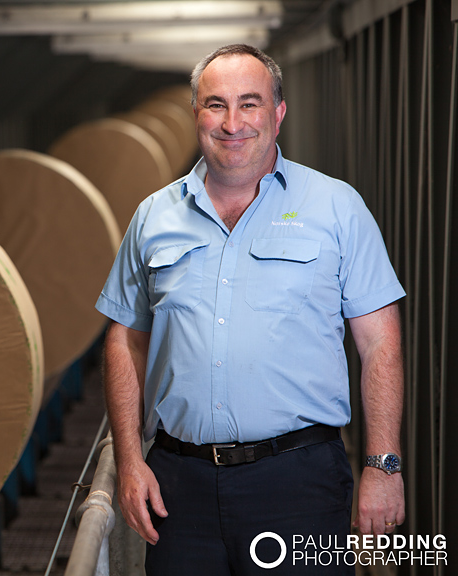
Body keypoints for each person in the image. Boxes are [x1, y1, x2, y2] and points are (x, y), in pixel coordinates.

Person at [96, 44, 405, 575]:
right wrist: (129, 460)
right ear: (196, 113)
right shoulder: (153, 216)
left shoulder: (336, 207)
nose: (232, 123)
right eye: (215, 104)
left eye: (249, 104)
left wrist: (382, 466)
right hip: (179, 485)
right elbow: (126, 338)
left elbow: (380, 344)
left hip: (299, 483)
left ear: (278, 113)